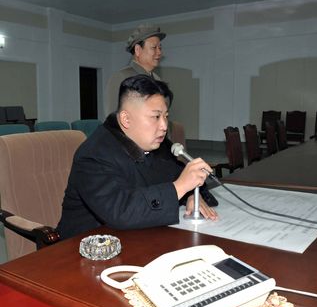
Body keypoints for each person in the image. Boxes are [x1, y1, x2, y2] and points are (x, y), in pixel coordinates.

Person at [57, 75, 218, 239]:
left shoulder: (159, 146)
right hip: (82, 249)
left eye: (166, 116)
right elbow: (120, 211)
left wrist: (191, 195)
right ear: (126, 119)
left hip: (137, 239)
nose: (164, 126)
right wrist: (180, 187)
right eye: (156, 117)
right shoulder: (94, 155)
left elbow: (180, 176)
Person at [105, 23, 166, 115]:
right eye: (154, 48)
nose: (159, 52)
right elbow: (112, 118)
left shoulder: (157, 79)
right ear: (138, 50)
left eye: (160, 48)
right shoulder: (121, 77)